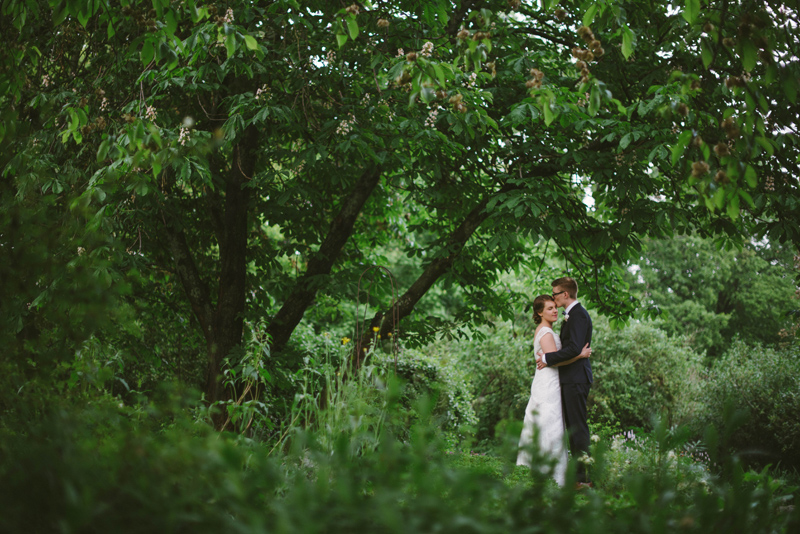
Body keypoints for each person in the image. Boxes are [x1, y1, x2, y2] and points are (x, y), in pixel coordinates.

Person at [517, 294, 591, 487]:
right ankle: (549, 473)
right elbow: (552, 359)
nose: (555, 310)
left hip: (550, 381)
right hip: (548, 383)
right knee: (549, 425)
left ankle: (546, 470)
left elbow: (552, 358)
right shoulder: (546, 333)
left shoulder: (545, 330)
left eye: (554, 307)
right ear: (540, 312)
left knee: (549, 425)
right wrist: (580, 355)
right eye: (549, 308)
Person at [536, 277, 594, 489]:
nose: (554, 297)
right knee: (573, 428)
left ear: (565, 294)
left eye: (555, 294)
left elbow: (573, 349)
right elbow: (575, 350)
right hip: (571, 378)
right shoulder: (572, 316)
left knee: (578, 428)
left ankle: (584, 479)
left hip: (576, 379)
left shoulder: (578, 316)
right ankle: (579, 477)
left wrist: (546, 358)